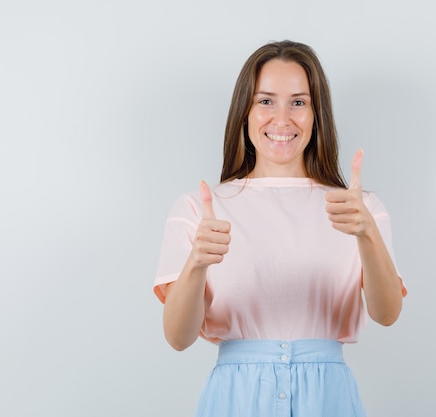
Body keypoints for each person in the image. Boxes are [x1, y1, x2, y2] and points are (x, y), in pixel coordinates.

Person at [153, 40, 407, 417]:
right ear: (245, 112)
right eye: (266, 101)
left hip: (328, 398)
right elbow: (178, 338)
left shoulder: (359, 210)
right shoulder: (198, 208)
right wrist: (197, 264)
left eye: (299, 102)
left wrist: (367, 234)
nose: (283, 118)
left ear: (317, 114)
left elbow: (387, 314)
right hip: (235, 398)